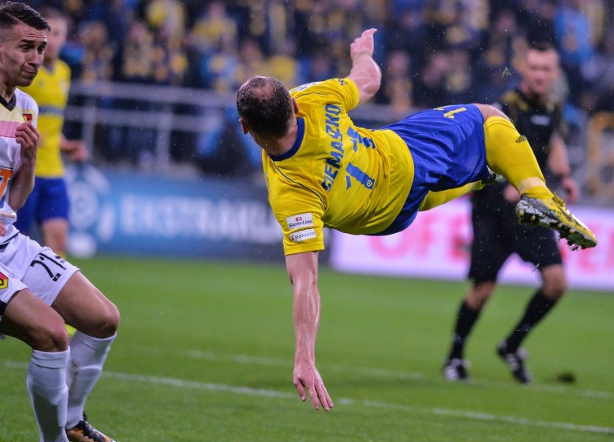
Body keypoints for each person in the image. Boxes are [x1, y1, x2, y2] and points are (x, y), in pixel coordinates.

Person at [235, 28, 597, 412]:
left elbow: (305, 281)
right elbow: (370, 80)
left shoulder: (289, 194)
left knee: (480, 172)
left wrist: (304, 356)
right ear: (291, 105)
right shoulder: (311, 98)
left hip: (391, 214)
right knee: (489, 118)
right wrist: (361, 54)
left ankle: (493, 175)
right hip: (403, 156)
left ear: (246, 127)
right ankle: (538, 195)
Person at [0, 1, 121, 442]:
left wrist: (32, 158)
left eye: (41, 48)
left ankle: (73, 420)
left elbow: (14, 200)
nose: (37, 59)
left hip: (8, 240)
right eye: (26, 47)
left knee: (103, 319)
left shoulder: (27, 107)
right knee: (53, 334)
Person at [442, 41, 580, 384]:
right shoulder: (506, 106)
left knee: (556, 284)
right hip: (493, 211)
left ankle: (512, 344)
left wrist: (564, 177)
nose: (539, 74)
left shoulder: (552, 107)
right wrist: (505, 178)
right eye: (534, 67)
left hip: (530, 210)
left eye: (546, 69)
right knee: (483, 290)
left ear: (554, 73)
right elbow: (491, 143)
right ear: (523, 69)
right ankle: (455, 357)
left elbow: (554, 143)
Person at [14, 7, 88, 257]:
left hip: (54, 170)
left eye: (59, 34)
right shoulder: (24, 71)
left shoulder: (64, 73)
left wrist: (67, 145)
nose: (54, 40)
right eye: (50, 34)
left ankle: (52, 296)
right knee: (17, 245)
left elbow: (51, 125)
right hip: (24, 170)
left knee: (58, 245)